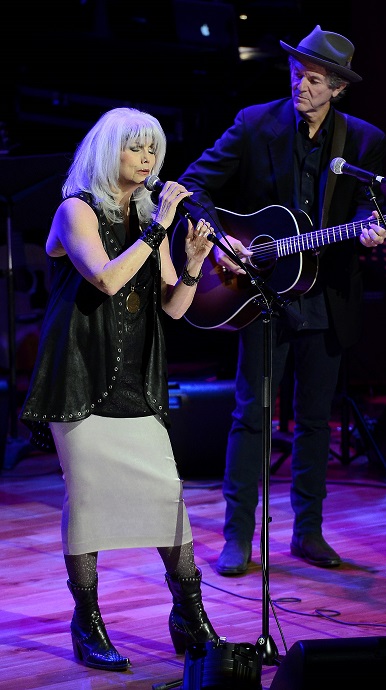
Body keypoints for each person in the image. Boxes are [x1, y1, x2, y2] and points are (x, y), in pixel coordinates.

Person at [177, 25, 386, 575]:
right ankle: (237, 536)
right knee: (251, 415)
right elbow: (192, 183)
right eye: (297, 74)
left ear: (338, 89)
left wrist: (372, 229)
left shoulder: (364, 141)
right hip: (261, 291)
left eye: (314, 80)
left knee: (316, 419)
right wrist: (220, 235)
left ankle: (308, 533)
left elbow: (371, 210)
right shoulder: (255, 124)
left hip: (326, 296)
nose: (301, 87)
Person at [20, 107, 219, 670]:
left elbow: (174, 309)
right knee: (90, 499)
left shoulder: (147, 222)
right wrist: (160, 228)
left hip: (137, 379)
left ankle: (190, 615)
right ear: (111, 153)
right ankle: (87, 624)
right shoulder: (74, 210)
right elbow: (106, 278)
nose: (148, 159)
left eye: (153, 150)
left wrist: (193, 264)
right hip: (79, 379)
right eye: (136, 149)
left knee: (166, 495)